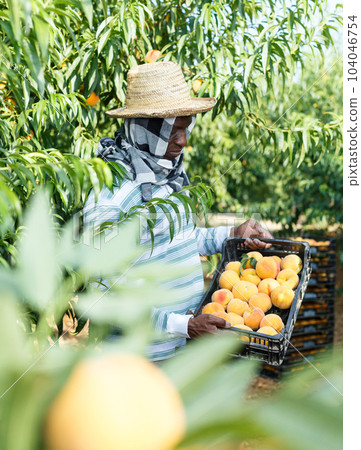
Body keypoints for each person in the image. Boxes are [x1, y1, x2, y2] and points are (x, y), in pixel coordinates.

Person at [83, 61, 273, 361]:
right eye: (173, 132)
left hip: (183, 351)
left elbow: (178, 237)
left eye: (186, 129)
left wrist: (233, 233)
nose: (183, 141)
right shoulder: (112, 190)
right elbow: (102, 287)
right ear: (147, 129)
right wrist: (182, 325)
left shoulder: (165, 175)